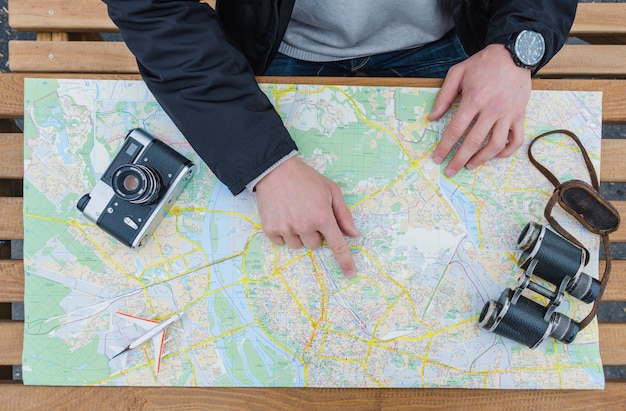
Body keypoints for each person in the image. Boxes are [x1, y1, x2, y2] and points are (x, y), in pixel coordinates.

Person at [103, 0, 578, 278]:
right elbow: (150, 8)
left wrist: (520, 45)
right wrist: (264, 165)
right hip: (273, 45)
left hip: (461, 38)